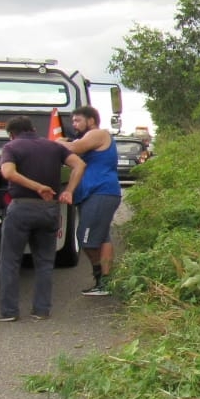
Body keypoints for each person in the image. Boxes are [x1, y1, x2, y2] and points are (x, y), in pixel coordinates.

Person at [0, 115, 86, 322]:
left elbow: (8, 173)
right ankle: (41, 310)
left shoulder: (11, 147)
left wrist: (37, 187)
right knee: (44, 262)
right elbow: (79, 165)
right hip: (49, 209)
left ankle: (9, 312)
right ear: (33, 129)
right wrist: (69, 190)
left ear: (11, 134)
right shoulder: (54, 147)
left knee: (10, 261)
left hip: (21, 208)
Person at [58, 105, 123, 295]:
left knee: (85, 239)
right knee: (102, 238)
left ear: (91, 120)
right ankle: (105, 282)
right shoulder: (87, 138)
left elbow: (73, 148)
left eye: (78, 120)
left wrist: (58, 141)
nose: (74, 125)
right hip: (93, 194)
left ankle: (102, 277)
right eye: (73, 121)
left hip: (101, 192)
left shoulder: (98, 134)